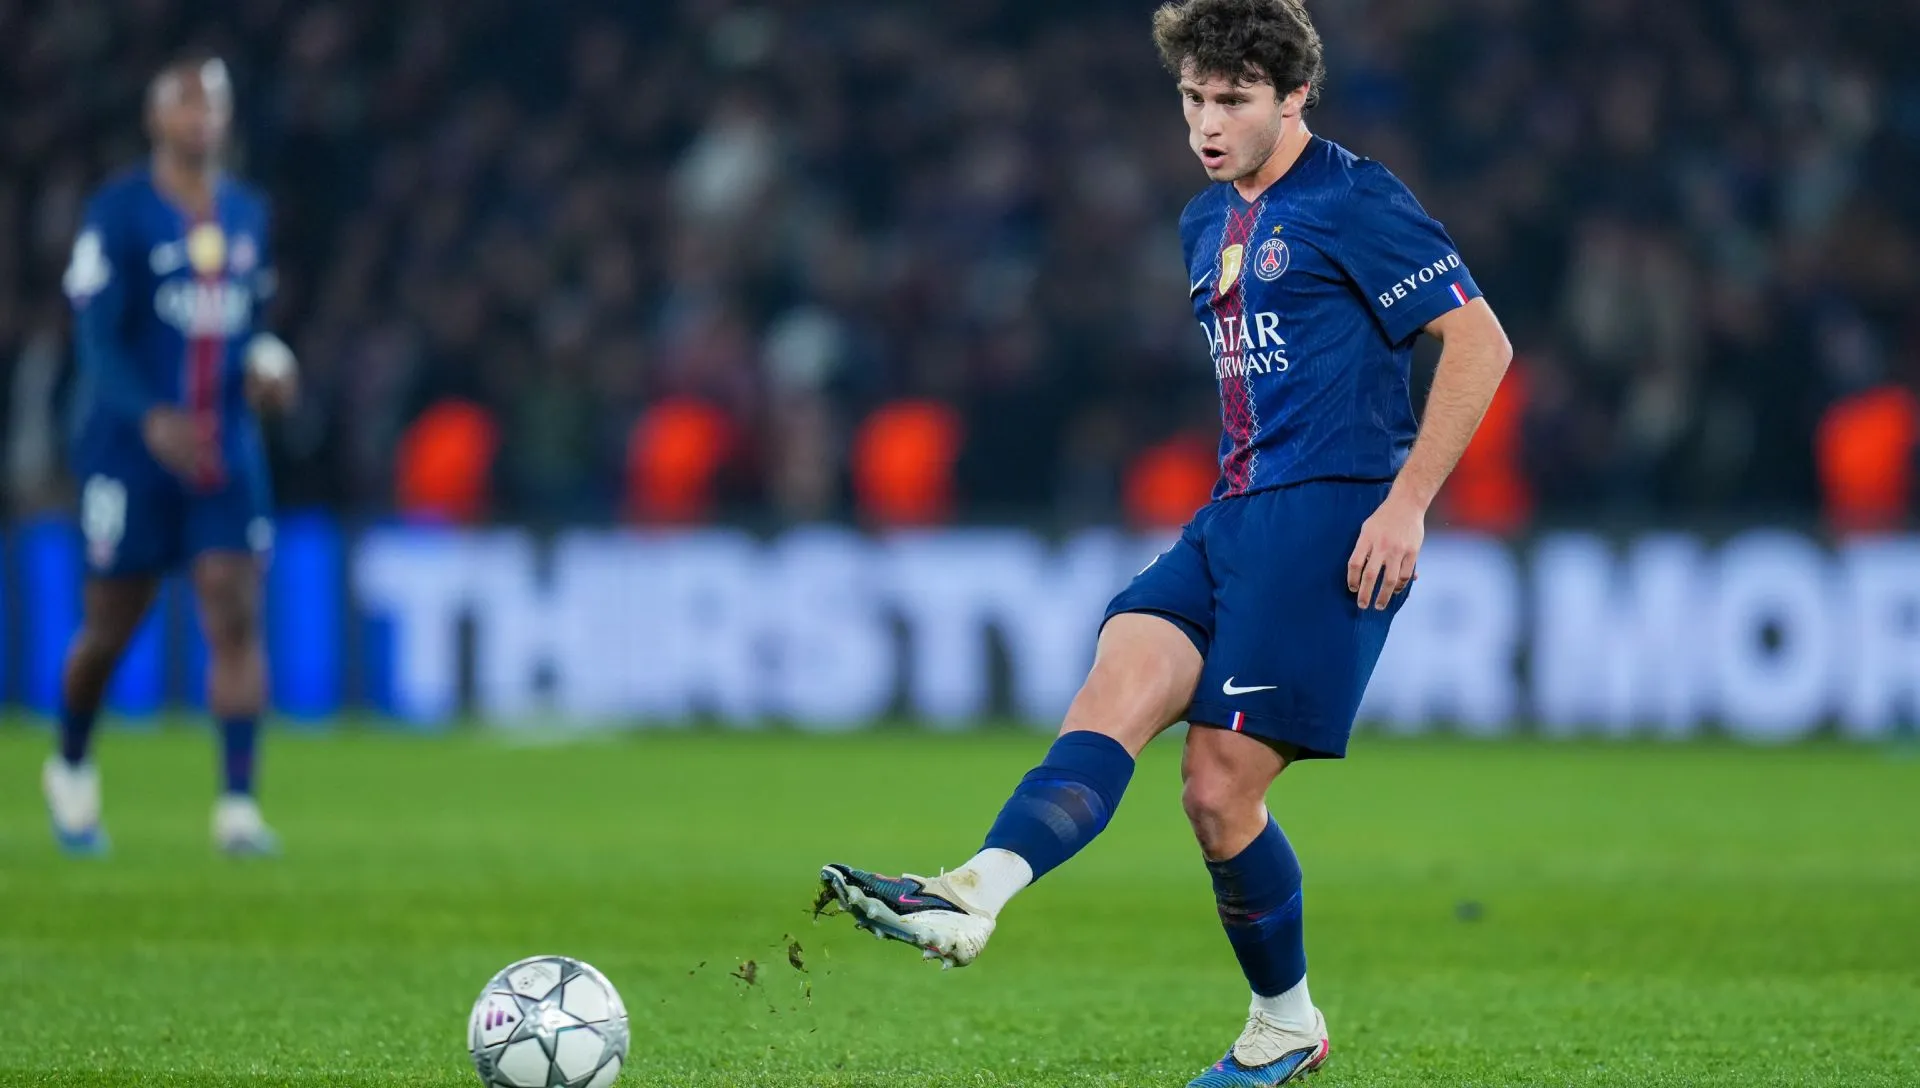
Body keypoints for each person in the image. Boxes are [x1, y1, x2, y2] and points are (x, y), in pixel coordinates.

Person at [816, 0, 1513, 1083]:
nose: (1207, 120)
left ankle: (1285, 1022)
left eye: (1232, 99)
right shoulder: (1205, 220)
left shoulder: (1355, 196)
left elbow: (1479, 341)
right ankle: (974, 891)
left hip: (1333, 515)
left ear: (1295, 96)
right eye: (1193, 96)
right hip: (1230, 513)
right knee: (1116, 679)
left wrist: (1409, 500)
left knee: (1216, 789)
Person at [46, 56, 297, 856]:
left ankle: (237, 806)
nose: (202, 117)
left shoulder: (248, 214)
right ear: (156, 119)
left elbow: (249, 322)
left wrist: (267, 368)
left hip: (224, 449)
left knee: (233, 605)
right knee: (111, 630)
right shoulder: (118, 213)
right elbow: (95, 338)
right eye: (186, 103)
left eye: (214, 103)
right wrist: (151, 416)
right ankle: (73, 761)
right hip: (132, 452)